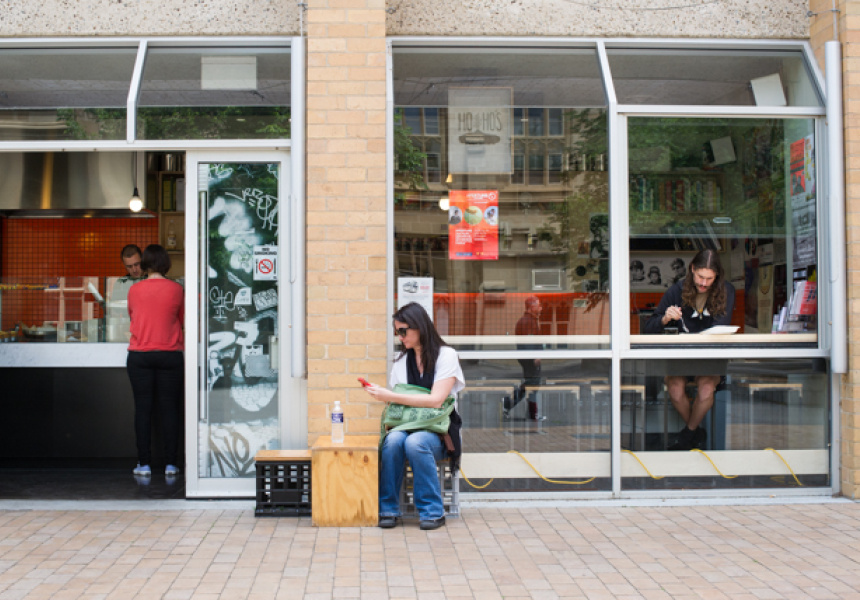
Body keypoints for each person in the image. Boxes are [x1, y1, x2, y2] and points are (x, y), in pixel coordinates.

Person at [363, 302, 465, 530]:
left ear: (419, 327)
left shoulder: (446, 355)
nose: (400, 337)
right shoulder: (401, 362)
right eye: (396, 332)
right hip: (407, 427)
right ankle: (388, 509)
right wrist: (388, 397)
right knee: (393, 441)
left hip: (439, 431)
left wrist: (390, 395)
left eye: (403, 331)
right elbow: (401, 404)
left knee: (415, 442)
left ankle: (432, 511)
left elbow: (437, 400)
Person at [643, 249, 735, 450]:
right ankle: (695, 432)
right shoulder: (677, 290)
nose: (704, 283)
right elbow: (648, 328)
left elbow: (721, 326)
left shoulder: (726, 290)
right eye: (700, 277)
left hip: (710, 358)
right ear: (692, 269)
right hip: (681, 358)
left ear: (717, 276)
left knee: (706, 388)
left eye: (709, 279)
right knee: (675, 389)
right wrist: (665, 318)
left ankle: (687, 436)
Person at [126, 244, 184, 478]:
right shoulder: (177, 289)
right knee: (170, 409)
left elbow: (133, 317)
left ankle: (144, 464)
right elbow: (182, 320)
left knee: (143, 409)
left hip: (140, 355)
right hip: (170, 354)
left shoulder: (134, 290)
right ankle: (171, 464)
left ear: (145, 264)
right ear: (166, 263)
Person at [503, 296, 545, 421]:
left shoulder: (529, 320)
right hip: (530, 359)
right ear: (531, 307)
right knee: (533, 385)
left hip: (527, 358)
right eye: (538, 305)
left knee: (529, 384)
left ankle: (508, 404)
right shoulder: (528, 321)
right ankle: (532, 414)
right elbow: (528, 341)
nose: (541, 308)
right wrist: (534, 357)